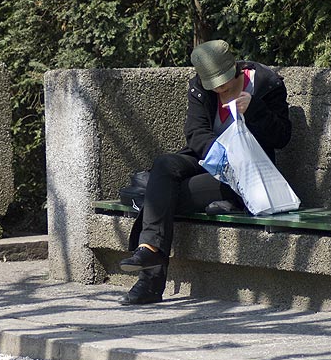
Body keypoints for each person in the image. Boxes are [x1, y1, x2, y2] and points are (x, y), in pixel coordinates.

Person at [119, 40, 292, 305]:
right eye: (214, 84)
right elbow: (195, 133)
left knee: (164, 194)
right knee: (164, 165)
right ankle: (149, 249)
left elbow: (282, 136)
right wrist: (216, 154)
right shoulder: (200, 88)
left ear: (234, 67)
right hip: (210, 161)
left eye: (223, 81)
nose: (220, 89)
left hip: (246, 174)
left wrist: (256, 109)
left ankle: (150, 278)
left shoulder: (266, 84)